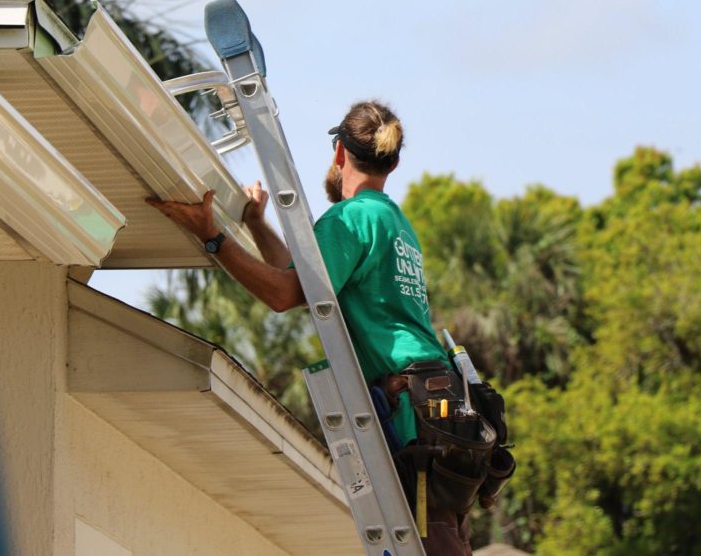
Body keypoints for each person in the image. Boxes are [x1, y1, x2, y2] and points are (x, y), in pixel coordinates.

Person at [147, 100, 472, 555]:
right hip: (439, 410)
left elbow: (284, 295)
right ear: (394, 162)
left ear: (339, 152)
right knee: (441, 540)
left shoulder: (349, 218)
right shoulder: (393, 221)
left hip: (409, 413)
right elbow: (307, 287)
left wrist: (213, 239)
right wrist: (257, 225)